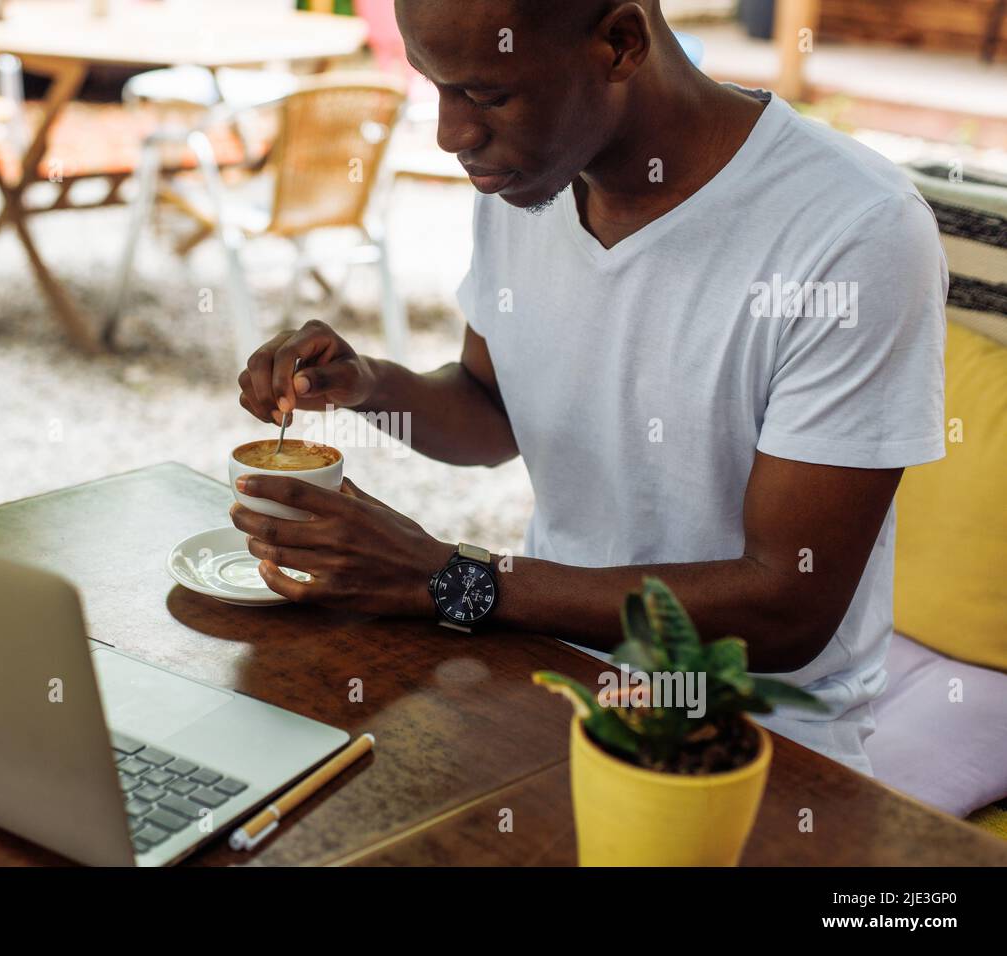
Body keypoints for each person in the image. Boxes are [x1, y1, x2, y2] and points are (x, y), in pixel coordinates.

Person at [229, 0, 947, 774]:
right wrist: (369, 386)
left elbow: (785, 606)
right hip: (549, 677)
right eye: (435, 87)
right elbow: (489, 414)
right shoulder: (528, 178)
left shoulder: (853, 232)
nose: (451, 135)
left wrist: (451, 580)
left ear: (619, 43)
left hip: (745, 745)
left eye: (487, 94)